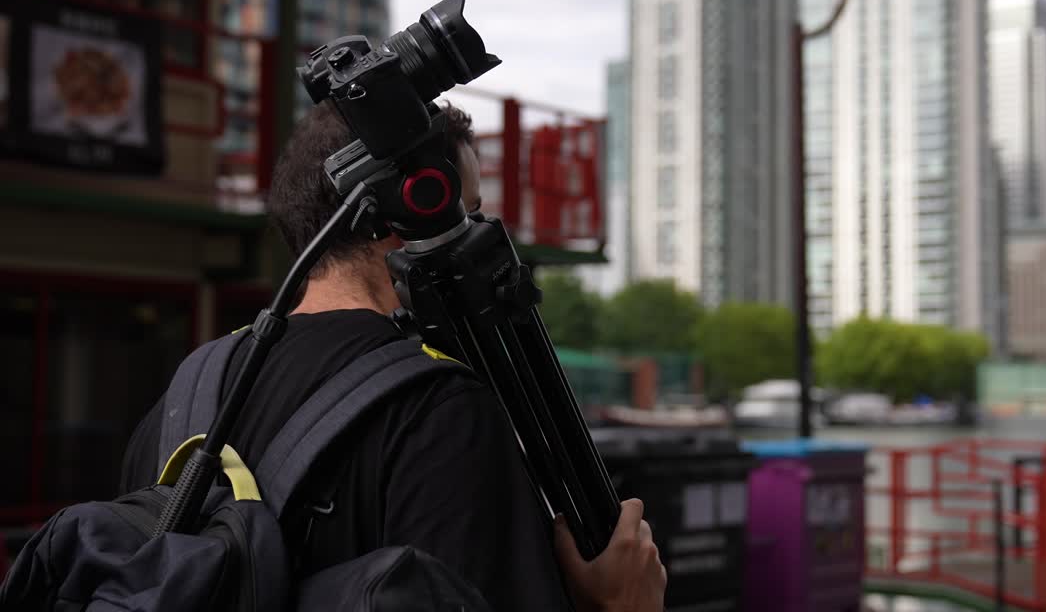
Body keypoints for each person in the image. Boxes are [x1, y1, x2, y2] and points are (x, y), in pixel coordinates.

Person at [118, 100, 666, 612]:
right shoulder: (442, 413)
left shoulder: (181, 402)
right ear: (413, 216)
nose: (478, 239)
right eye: (467, 215)